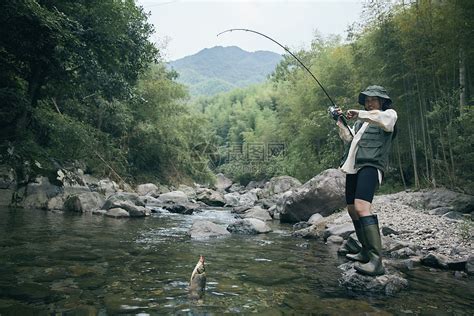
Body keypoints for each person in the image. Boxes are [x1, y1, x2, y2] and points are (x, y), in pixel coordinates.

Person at [336, 85, 398, 276]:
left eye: (374, 100)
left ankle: (376, 260)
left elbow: (385, 122)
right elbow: (350, 140)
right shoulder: (361, 124)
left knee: (363, 207)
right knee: (352, 209)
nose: (370, 103)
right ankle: (364, 251)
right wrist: (340, 122)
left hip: (370, 166)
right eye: (367, 100)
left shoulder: (389, 115)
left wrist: (360, 113)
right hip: (354, 168)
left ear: (382, 102)